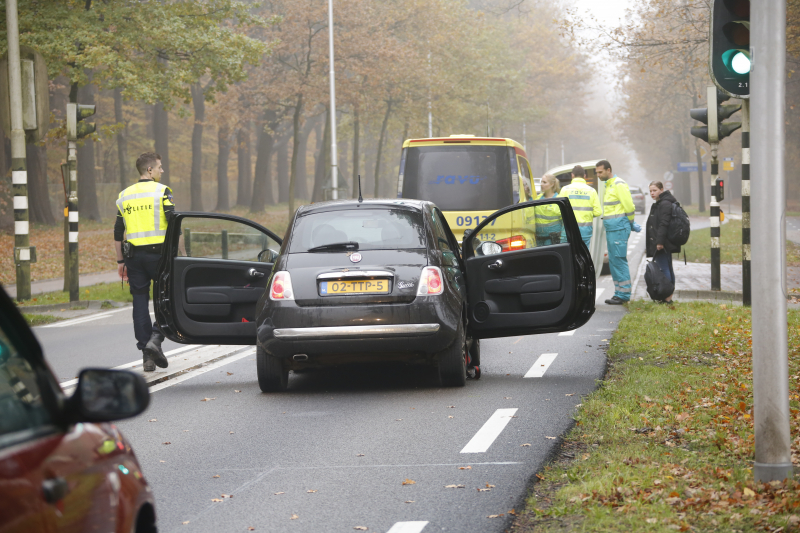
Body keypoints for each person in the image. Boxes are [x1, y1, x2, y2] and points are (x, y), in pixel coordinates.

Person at [114, 153, 175, 372]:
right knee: (167, 299)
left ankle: (146, 356)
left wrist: (121, 261)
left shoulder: (124, 195)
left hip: (133, 258)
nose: (162, 171)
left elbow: (118, 231)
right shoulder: (162, 191)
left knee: (139, 304)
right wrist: (181, 254)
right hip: (159, 257)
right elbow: (173, 223)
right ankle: (156, 339)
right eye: (160, 167)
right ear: (149, 170)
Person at [596, 160, 640, 305]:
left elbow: (629, 205)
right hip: (613, 228)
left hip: (619, 228)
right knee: (614, 261)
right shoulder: (608, 185)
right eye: (597, 172)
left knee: (619, 260)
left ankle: (624, 294)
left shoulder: (618, 184)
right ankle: (618, 293)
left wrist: (631, 222)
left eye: (600, 172)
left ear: (609, 170)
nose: (598, 175)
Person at [646, 181, 679, 303]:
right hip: (663, 242)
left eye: (654, 190)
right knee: (667, 267)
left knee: (664, 268)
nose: (652, 193)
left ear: (661, 189)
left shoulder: (664, 204)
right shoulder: (661, 203)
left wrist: (659, 243)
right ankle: (668, 297)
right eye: (650, 191)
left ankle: (667, 298)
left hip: (662, 244)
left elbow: (663, 224)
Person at [560, 166, 601, 248]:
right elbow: (598, 212)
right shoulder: (592, 191)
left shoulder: (565, 189)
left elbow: (558, 210)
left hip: (568, 230)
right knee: (584, 257)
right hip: (585, 231)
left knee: (568, 256)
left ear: (572, 175)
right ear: (584, 176)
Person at [532, 174, 564, 246]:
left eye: (544, 182)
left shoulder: (558, 200)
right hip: (538, 239)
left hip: (552, 240)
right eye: (541, 182)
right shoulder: (538, 198)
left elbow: (564, 223)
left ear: (552, 184)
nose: (541, 184)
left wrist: (563, 239)